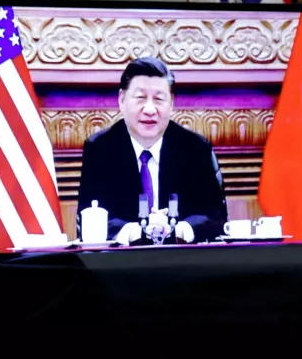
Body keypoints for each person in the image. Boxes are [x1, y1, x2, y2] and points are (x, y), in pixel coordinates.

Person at [77, 57, 228, 244]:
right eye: (140, 98)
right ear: (122, 100)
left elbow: (217, 216)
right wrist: (135, 231)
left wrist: (178, 229)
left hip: (183, 263)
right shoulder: (100, 149)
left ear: (171, 104)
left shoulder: (195, 148)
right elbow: (88, 217)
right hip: (119, 265)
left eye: (159, 99)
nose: (150, 109)